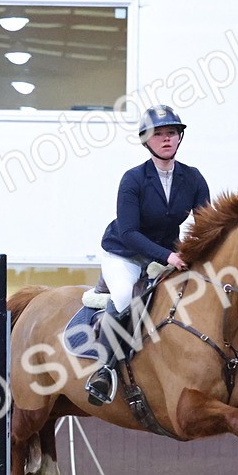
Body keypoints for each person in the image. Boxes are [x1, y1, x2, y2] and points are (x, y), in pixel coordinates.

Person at [83, 105, 211, 406]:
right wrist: (168, 256)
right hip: (124, 254)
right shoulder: (134, 179)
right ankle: (103, 371)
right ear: (146, 141)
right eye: (159, 134)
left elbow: (206, 224)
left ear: (179, 138)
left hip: (166, 255)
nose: (166, 139)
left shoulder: (192, 178)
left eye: (171, 133)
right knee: (125, 295)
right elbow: (129, 232)